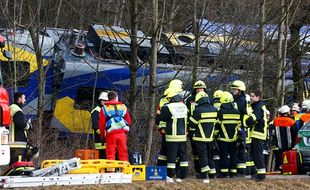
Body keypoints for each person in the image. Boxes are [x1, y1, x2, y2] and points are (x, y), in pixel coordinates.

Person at [188, 91, 218, 183]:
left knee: (202, 155)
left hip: (199, 137)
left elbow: (192, 124)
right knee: (210, 155)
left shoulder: (198, 110)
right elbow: (216, 123)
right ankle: (213, 174)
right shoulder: (214, 109)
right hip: (210, 137)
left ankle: (204, 174)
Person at [159, 89, 188, 183]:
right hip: (183, 136)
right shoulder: (184, 106)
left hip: (172, 136)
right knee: (183, 155)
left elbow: (162, 118)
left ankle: (170, 174)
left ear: (171, 98)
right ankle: (183, 174)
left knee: (171, 156)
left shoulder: (169, 107)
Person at [156, 79, 183, 166]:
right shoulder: (177, 100)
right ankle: (172, 170)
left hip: (165, 128)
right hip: (174, 129)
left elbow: (159, 116)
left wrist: (161, 128)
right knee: (175, 150)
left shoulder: (162, 99)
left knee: (164, 149)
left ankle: (161, 168)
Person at [98, 91, 131, 161]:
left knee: (110, 153)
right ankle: (124, 171)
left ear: (108, 98)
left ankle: (111, 171)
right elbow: (128, 121)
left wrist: (103, 137)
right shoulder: (123, 107)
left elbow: (101, 125)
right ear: (116, 97)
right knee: (123, 153)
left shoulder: (104, 109)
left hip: (111, 133)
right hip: (122, 133)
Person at [244, 90, 268, 181]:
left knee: (258, 154)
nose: (251, 97)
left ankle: (261, 175)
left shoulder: (259, 107)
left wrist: (246, 121)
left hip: (258, 133)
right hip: (256, 133)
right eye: (250, 96)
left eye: (253, 96)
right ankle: (259, 173)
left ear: (258, 97)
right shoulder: (257, 106)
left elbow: (252, 119)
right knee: (255, 154)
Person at [215, 91, 240, 178]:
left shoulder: (220, 112)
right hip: (234, 138)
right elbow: (239, 125)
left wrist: (215, 135)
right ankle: (233, 172)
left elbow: (217, 125)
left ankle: (224, 173)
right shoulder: (237, 112)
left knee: (224, 155)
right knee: (233, 155)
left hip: (222, 138)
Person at [230, 80, 252, 177]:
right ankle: (240, 171)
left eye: (235, 89)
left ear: (240, 90)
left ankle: (241, 172)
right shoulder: (240, 99)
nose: (233, 91)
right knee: (240, 149)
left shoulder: (241, 100)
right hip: (240, 127)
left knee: (241, 149)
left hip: (241, 128)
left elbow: (238, 113)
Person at [186, 80, 207, 177]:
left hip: (205, 128)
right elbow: (187, 113)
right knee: (195, 151)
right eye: (198, 88)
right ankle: (198, 170)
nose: (200, 90)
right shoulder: (190, 100)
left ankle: (206, 172)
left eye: (202, 88)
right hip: (192, 127)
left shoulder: (207, 99)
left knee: (205, 151)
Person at [9, 92, 32, 166]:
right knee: (18, 166)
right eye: (24, 98)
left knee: (14, 166)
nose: (25, 100)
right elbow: (21, 123)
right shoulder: (16, 109)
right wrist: (29, 126)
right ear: (19, 99)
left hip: (14, 143)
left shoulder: (12, 108)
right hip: (17, 143)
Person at [270, 105, 296, 171]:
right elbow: (295, 133)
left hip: (278, 145)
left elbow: (272, 132)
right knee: (288, 160)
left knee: (278, 160)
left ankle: (278, 169)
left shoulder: (275, 120)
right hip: (289, 145)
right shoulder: (291, 121)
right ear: (287, 112)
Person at [91, 91, 109, 159]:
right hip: (100, 141)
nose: (105, 102)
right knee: (102, 158)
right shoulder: (96, 111)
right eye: (103, 100)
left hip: (108, 140)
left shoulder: (108, 110)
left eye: (106, 100)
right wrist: (103, 134)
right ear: (100, 100)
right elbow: (95, 126)